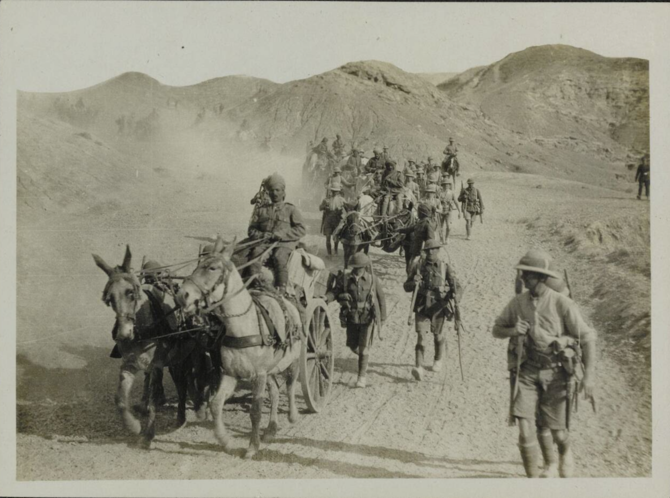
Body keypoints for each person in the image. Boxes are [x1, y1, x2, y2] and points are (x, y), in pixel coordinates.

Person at [492, 250, 597, 478]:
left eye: (527, 275)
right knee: (526, 425)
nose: (522, 279)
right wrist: (513, 330)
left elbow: (587, 338)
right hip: (527, 371)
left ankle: (564, 453)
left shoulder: (562, 303)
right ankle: (534, 479)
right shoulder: (518, 303)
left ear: (540, 277)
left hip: (556, 372)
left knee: (557, 431)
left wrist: (588, 376)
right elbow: (496, 329)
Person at [403, 240, 462, 381]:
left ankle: (438, 359)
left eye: (433, 249)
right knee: (421, 336)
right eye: (428, 250)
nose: (430, 252)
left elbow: (457, 286)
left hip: (438, 307)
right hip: (422, 306)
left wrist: (456, 295)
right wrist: (413, 282)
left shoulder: (445, 267)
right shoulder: (418, 266)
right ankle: (418, 367)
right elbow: (406, 286)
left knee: (438, 336)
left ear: (438, 250)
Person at [326, 253, 386, 388]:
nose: (357, 270)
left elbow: (381, 299)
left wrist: (382, 318)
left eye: (360, 267)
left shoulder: (373, 280)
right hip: (351, 317)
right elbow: (335, 292)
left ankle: (361, 377)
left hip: (367, 317)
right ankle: (364, 359)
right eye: (355, 267)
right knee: (353, 346)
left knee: (364, 349)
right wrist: (327, 298)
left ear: (365, 267)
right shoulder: (345, 279)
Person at [247, 173, 306, 294]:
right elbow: (251, 230)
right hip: (265, 243)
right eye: (272, 190)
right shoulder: (261, 209)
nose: (275, 193)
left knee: (279, 257)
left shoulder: (291, 210)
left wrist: (280, 235)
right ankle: (256, 284)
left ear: (283, 192)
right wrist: (262, 235)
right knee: (256, 254)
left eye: (278, 190)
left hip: (284, 243)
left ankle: (282, 288)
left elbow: (301, 229)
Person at [396, 203, 438, 270]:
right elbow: (411, 229)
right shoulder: (420, 222)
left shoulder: (427, 224)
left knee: (414, 268)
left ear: (422, 213)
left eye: (418, 212)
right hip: (415, 250)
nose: (417, 213)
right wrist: (399, 230)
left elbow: (431, 241)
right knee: (410, 267)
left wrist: (425, 253)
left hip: (421, 252)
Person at [319, 182, 347, 256]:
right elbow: (320, 208)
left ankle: (335, 251)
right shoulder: (326, 200)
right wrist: (325, 207)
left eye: (336, 191)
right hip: (328, 220)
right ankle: (329, 253)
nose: (334, 192)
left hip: (337, 220)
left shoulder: (342, 200)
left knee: (336, 237)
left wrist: (341, 210)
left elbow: (347, 209)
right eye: (333, 191)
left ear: (338, 191)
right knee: (328, 237)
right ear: (331, 191)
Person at [439, 178, 461, 244]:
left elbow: (456, 202)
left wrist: (459, 211)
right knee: (440, 226)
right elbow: (437, 201)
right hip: (441, 211)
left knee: (449, 226)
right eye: (445, 185)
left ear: (449, 185)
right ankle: (441, 239)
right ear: (442, 185)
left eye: (447, 185)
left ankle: (447, 238)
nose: (446, 186)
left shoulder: (451, 193)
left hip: (448, 211)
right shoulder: (440, 193)